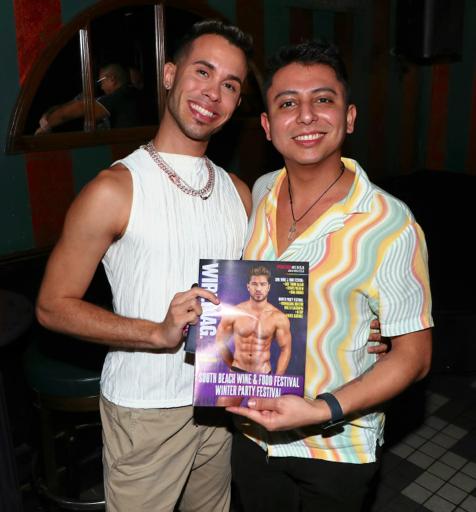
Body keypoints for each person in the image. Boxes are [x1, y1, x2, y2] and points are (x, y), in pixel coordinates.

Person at [36, 20, 253, 512]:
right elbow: (51, 306)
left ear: (237, 102)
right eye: (203, 72)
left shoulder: (239, 193)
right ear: (170, 74)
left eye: (230, 85)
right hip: (145, 410)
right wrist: (156, 333)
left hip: (218, 400)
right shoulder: (113, 189)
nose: (212, 93)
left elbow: (256, 303)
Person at [227, 40, 433, 512]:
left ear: (349, 117)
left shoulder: (389, 222)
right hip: (251, 432)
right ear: (267, 126)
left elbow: (416, 357)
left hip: (336, 447)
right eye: (287, 103)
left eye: (323, 99)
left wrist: (323, 408)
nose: (305, 116)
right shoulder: (261, 192)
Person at [215, 265, 292, 407]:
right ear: (248, 286)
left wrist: (277, 379)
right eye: (254, 284)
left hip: (263, 374)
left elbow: (285, 349)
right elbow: (219, 341)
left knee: (261, 418)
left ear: (268, 287)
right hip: (237, 371)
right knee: (221, 410)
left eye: (262, 284)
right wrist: (233, 365)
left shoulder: (278, 317)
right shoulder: (235, 312)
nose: (258, 288)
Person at [35, 63, 141, 134]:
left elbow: (78, 110)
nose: (101, 87)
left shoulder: (121, 96)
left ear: (112, 79)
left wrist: (45, 125)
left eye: (101, 82)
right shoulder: (128, 93)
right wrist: (48, 114)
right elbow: (69, 105)